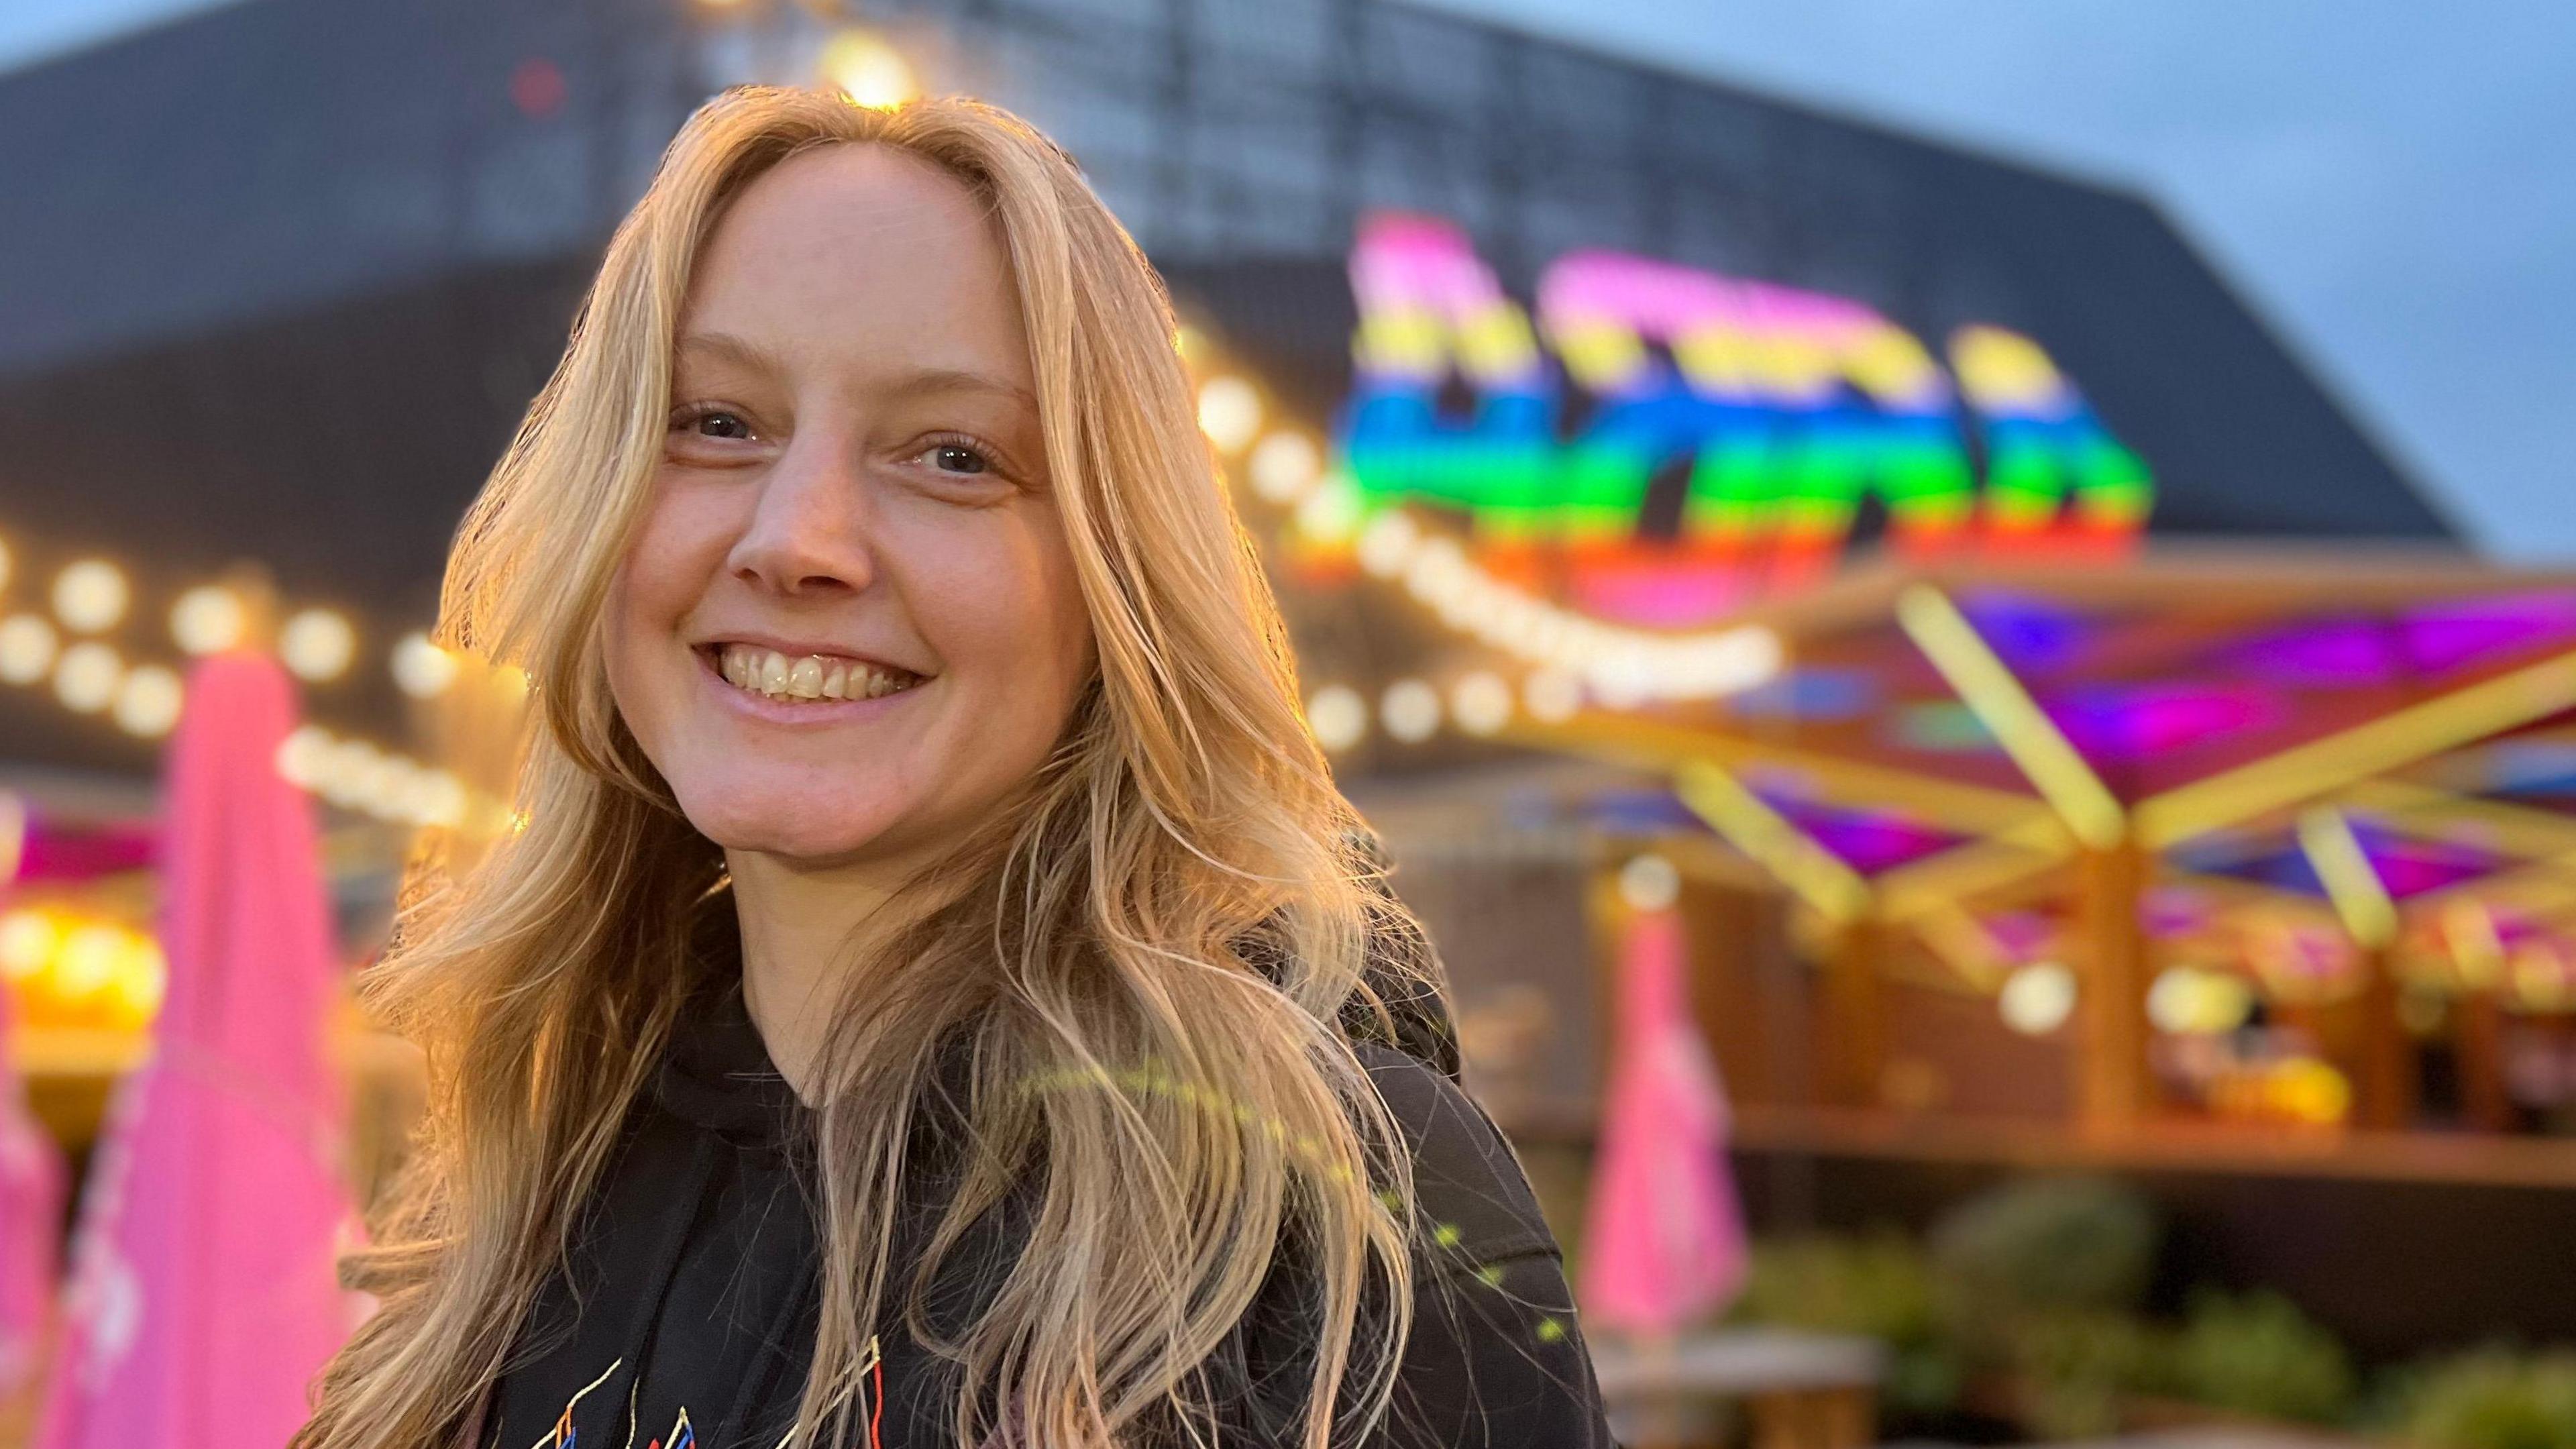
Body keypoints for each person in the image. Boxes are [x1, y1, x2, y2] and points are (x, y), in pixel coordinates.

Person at [289, 87, 1615, 1449]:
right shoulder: (526, 1192)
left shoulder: (1338, 1236)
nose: (800, 539)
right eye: (717, 422)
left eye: (953, 455)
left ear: (1116, 591)